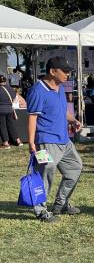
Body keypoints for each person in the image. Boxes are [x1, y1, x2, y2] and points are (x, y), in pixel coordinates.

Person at [27, 57, 83, 223]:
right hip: (46, 140)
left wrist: (72, 120)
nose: (68, 74)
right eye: (64, 71)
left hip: (64, 140)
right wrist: (31, 143)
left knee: (75, 168)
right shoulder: (37, 91)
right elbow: (32, 118)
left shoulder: (59, 88)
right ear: (52, 71)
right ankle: (41, 211)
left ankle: (61, 203)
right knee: (46, 172)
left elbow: (61, 110)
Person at [0, 75, 23, 149]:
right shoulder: (10, 89)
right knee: (11, 126)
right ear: (5, 81)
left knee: (2, 126)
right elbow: (14, 99)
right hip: (10, 109)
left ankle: (6, 143)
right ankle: (18, 141)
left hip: (1, 110)